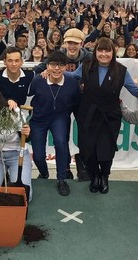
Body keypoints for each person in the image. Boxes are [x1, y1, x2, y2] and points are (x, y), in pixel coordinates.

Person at [72, 38, 138, 193]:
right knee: (88, 149)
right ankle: (94, 176)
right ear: (95, 52)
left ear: (113, 52)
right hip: (88, 115)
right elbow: (69, 78)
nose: (103, 54)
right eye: (100, 50)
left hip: (110, 117)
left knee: (106, 149)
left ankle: (104, 176)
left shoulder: (121, 71)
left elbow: (135, 91)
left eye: (107, 50)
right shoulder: (85, 66)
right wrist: (49, 73)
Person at [29, 51, 81, 196]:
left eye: (61, 65)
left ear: (66, 67)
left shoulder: (72, 83)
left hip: (60, 118)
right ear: (47, 66)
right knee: (38, 155)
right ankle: (44, 173)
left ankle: (61, 179)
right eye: (53, 65)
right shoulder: (38, 80)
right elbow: (27, 93)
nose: (57, 68)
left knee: (60, 143)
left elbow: (77, 102)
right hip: (39, 119)